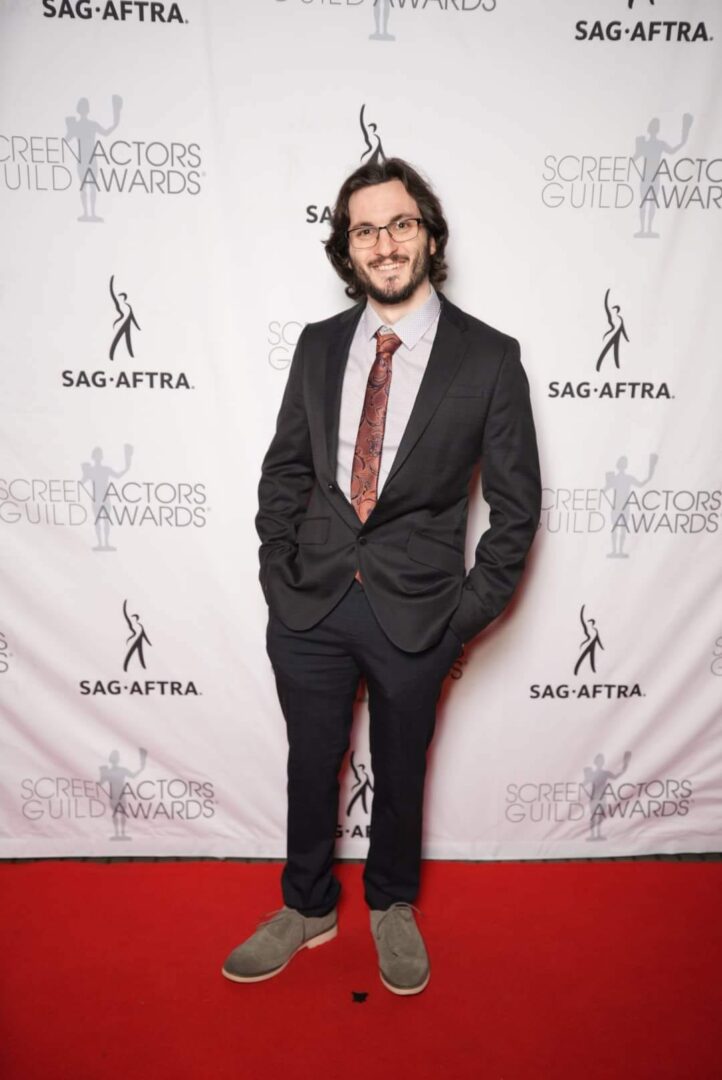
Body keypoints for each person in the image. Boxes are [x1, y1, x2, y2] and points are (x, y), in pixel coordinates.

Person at [222, 158, 541, 995]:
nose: (384, 243)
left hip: (419, 610)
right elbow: (285, 471)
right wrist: (278, 571)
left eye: (400, 224)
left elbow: (516, 510)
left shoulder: (490, 357)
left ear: (428, 233)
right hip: (311, 600)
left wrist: (460, 616)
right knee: (309, 762)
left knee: (401, 770)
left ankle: (392, 904)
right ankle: (306, 905)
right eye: (365, 229)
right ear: (347, 248)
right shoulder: (319, 346)